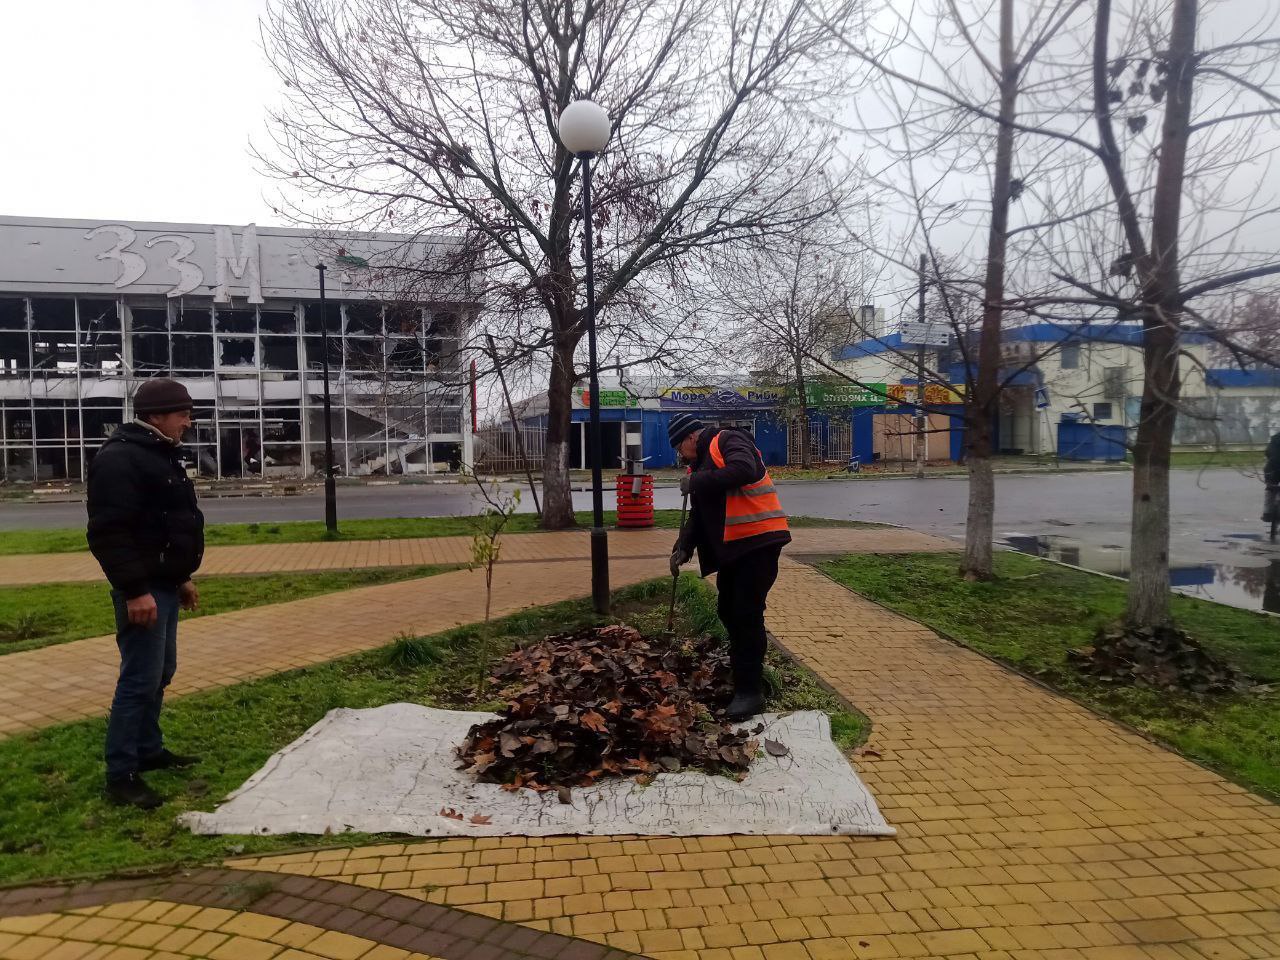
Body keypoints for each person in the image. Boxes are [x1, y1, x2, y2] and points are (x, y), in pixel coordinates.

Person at [87, 378, 205, 809]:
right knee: (139, 680)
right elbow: (109, 533)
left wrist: (181, 576)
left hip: (164, 584)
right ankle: (121, 774)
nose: (188, 422)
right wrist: (136, 591)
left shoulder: (159, 452)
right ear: (156, 416)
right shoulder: (120, 459)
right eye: (182, 414)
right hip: (143, 590)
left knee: (161, 672)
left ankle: (148, 750)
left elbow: (165, 524)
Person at [668, 413, 791, 720]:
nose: (681, 455)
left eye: (679, 448)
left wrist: (697, 481)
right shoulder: (699, 465)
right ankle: (743, 671)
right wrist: (683, 546)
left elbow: (745, 469)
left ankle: (750, 691)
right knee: (727, 610)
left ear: (690, 437)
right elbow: (699, 514)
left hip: (759, 542)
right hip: (735, 549)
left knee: (746, 614)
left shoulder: (728, 440)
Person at [1264, 431, 1280, 522]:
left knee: (1270, 488)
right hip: (1273, 468)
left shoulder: (1275, 438)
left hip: (1271, 469)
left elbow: (1267, 452)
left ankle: (1267, 513)